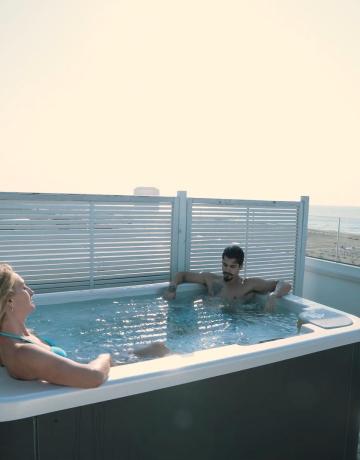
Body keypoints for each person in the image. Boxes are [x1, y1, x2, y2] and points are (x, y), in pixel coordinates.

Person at [0, 264, 169, 388]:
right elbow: (92, 377)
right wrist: (105, 357)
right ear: (9, 300)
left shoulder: (16, 336)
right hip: (89, 375)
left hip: (76, 366)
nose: (31, 291)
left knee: (157, 347)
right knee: (160, 351)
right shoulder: (22, 352)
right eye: (23, 287)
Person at [163, 245, 292, 311]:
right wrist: (172, 288)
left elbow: (284, 284)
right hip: (209, 323)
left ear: (240, 267)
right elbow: (182, 275)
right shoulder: (212, 280)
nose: (227, 270)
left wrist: (274, 296)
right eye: (224, 265)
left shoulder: (247, 285)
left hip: (235, 322)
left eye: (232, 266)